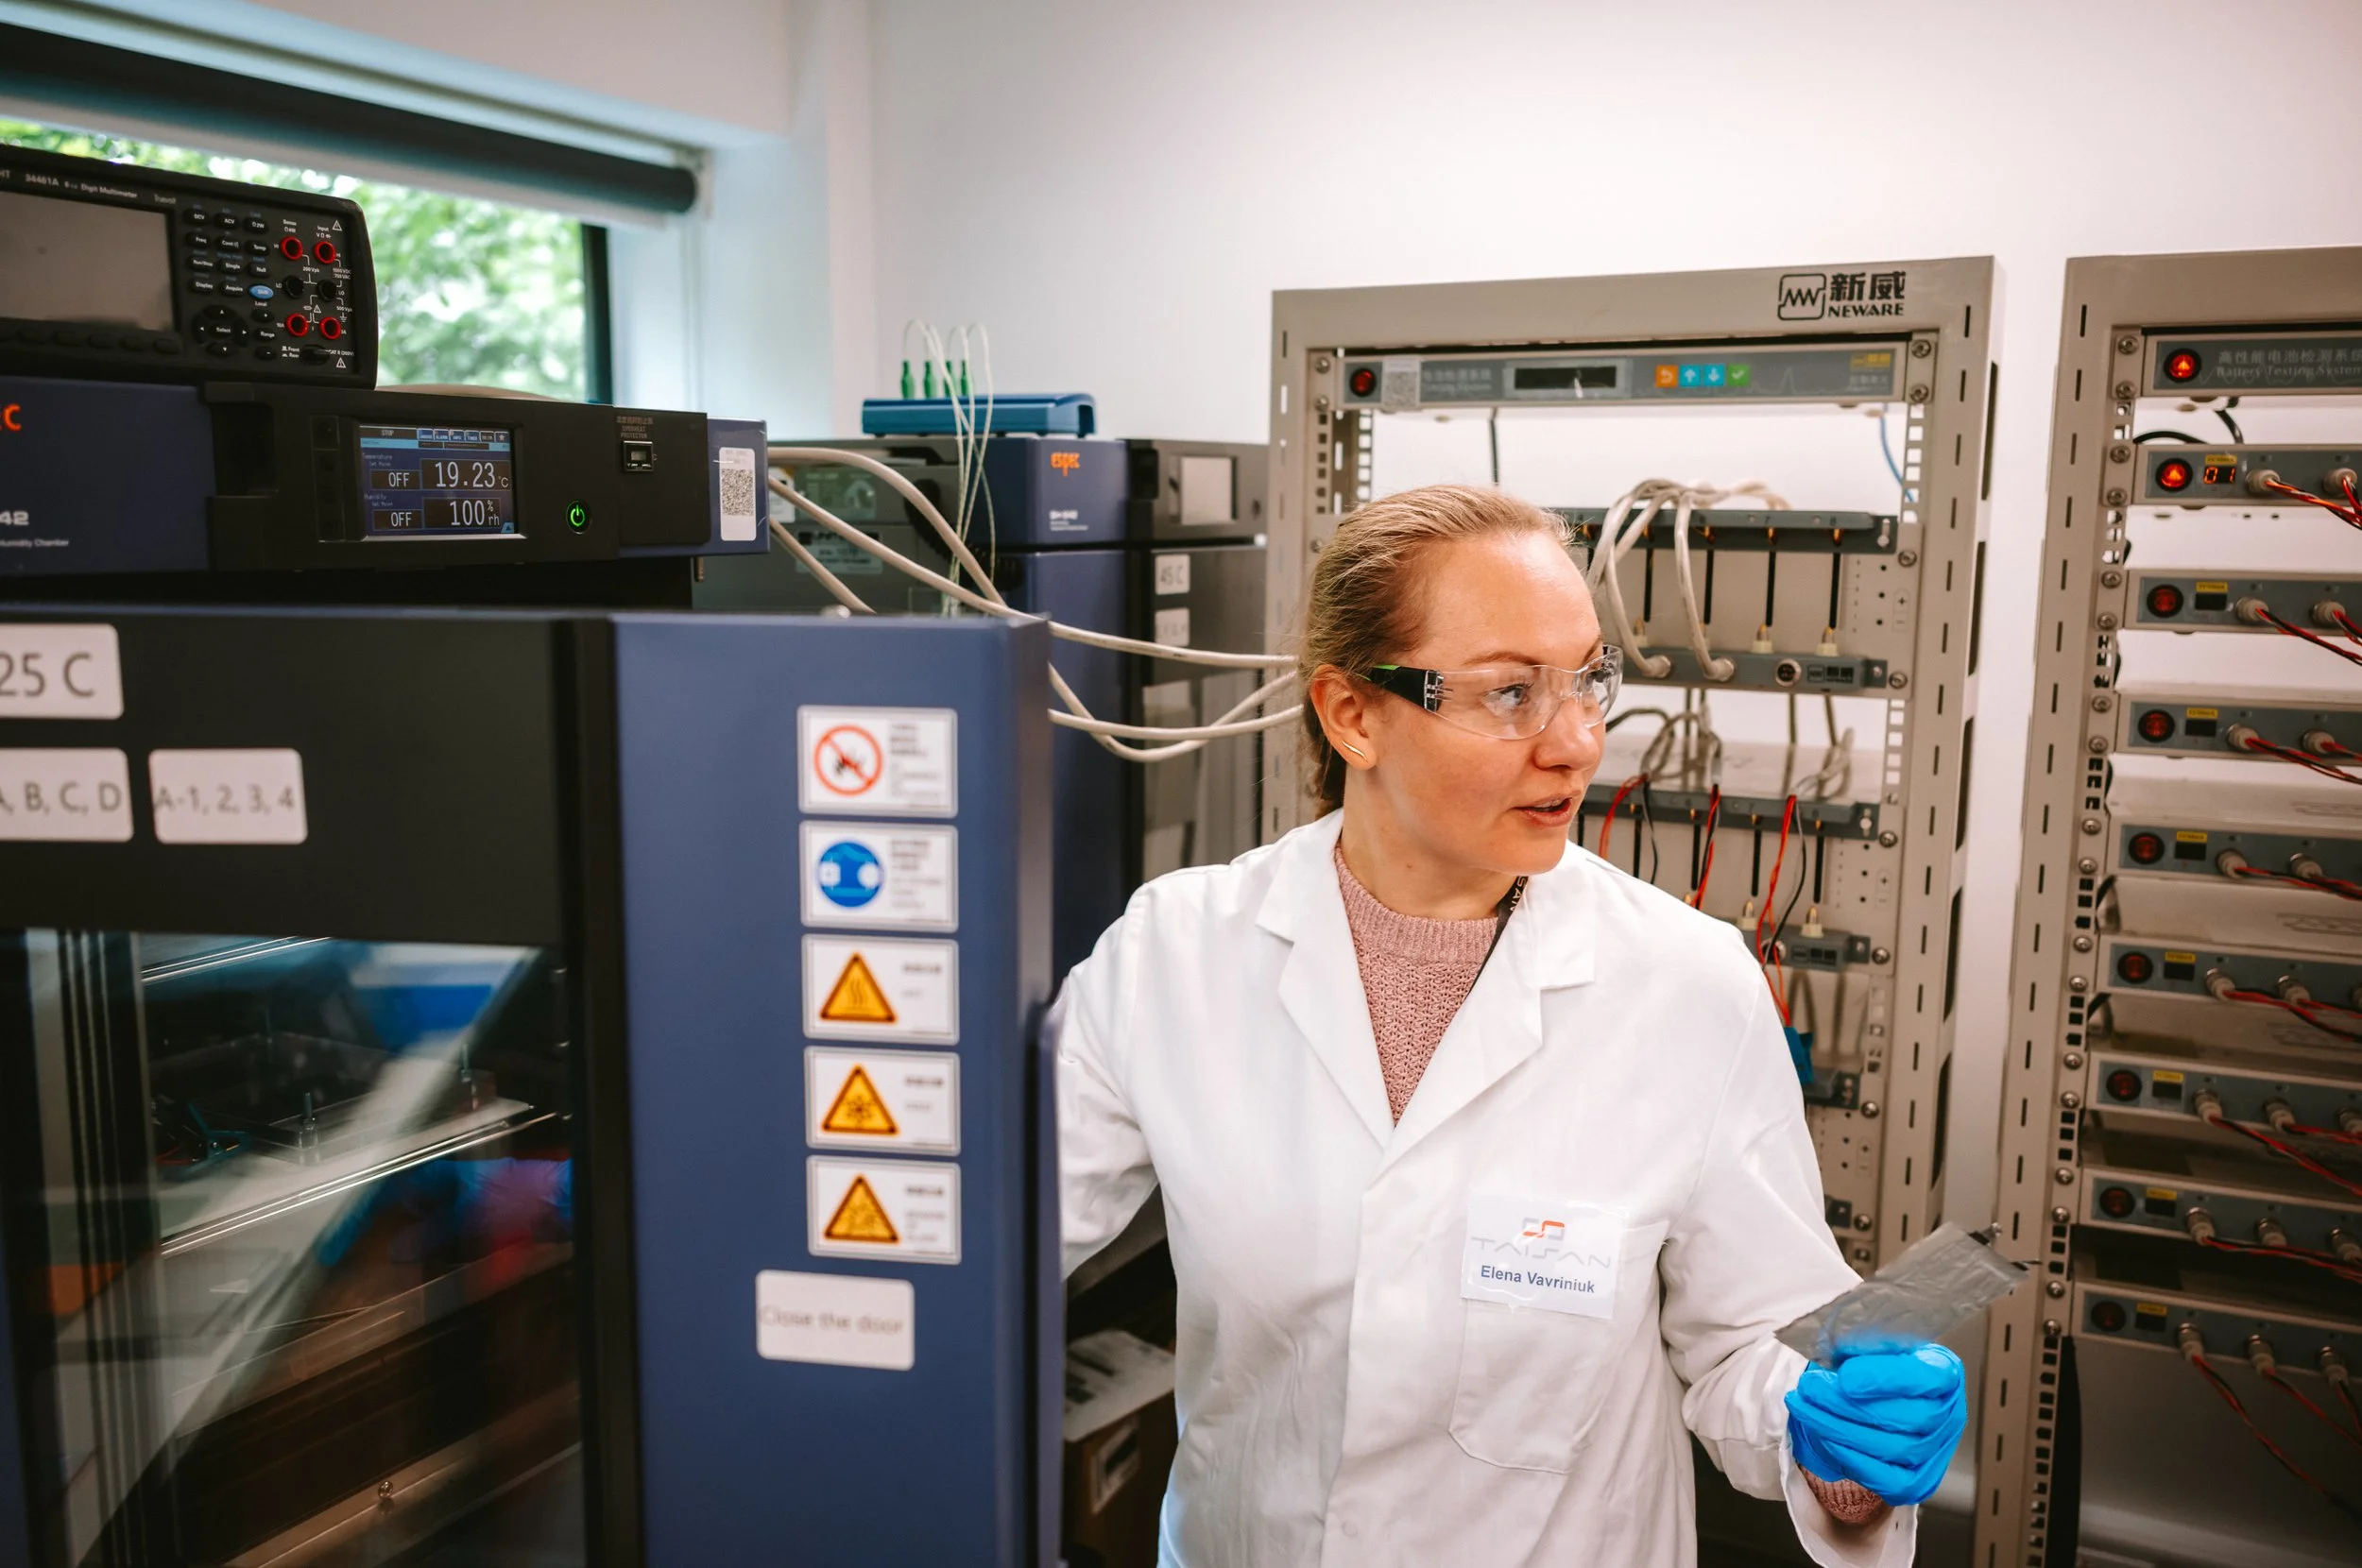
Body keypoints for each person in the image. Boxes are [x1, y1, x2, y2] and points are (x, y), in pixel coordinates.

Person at [1053, 485, 1965, 1567]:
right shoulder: (1176, 955)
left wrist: (1840, 1451)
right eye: (1509, 693)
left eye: (1587, 680)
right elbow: (968, 1248)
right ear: (1352, 714)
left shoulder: (1684, 985)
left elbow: (1748, 1354)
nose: (1577, 741)